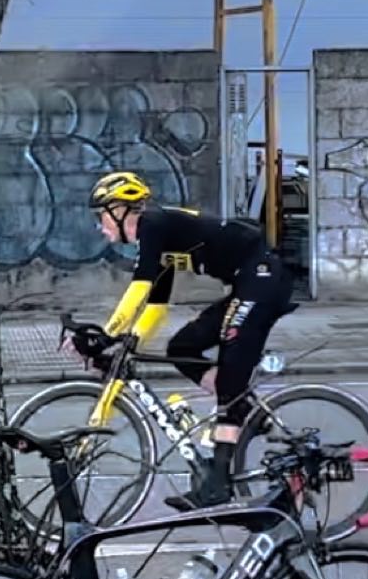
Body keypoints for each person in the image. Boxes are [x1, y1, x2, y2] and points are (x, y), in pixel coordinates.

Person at [83, 170, 297, 512]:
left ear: (120, 210)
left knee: (231, 363)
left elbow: (139, 286)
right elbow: (154, 304)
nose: (101, 227)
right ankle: (246, 409)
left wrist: (107, 333)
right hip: (247, 283)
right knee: (181, 348)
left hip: (263, 276)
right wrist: (127, 342)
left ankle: (218, 484)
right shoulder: (160, 240)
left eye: (101, 217)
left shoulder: (152, 224)